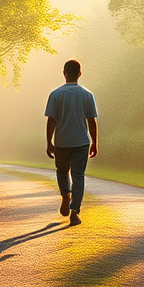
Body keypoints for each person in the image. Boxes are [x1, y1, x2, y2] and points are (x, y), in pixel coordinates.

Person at [45, 59, 98, 226]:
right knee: (78, 176)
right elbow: (92, 120)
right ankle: (75, 212)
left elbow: (51, 120)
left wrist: (49, 142)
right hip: (81, 142)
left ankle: (65, 194)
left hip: (61, 142)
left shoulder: (55, 94)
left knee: (62, 171)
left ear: (64, 73)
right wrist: (94, 142)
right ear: (80, 74)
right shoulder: (87, 95)